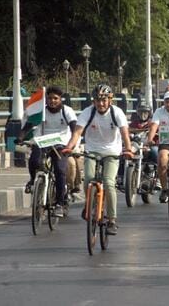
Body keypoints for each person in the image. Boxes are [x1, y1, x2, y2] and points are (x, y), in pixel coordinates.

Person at [64, 84, 132, 235]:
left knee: (108, 182)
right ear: (93, 101)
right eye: (97, 100)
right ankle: (89, 205)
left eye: (104, 100)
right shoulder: (88, 112)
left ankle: (112, 219)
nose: (101, 104)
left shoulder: (117, 113)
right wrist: (69, 147)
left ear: (110, 100)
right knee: (88, 179)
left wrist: (128, 149)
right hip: (92, 151)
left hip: (112, 152)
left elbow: (124, 133)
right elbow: (77, 133)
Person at [17, 86, 77, 218]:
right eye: (49, 98)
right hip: (43, 141)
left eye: (55, 98)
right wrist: (20, 137)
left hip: (60, 143)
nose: (52, 101)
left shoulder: (67, 111)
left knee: (60, 170)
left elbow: (74, 129)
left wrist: (72, 145)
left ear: (61, 99)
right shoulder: (41, 111)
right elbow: (28, 126)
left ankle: (60, 204)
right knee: (34, 161)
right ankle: (33, 181)